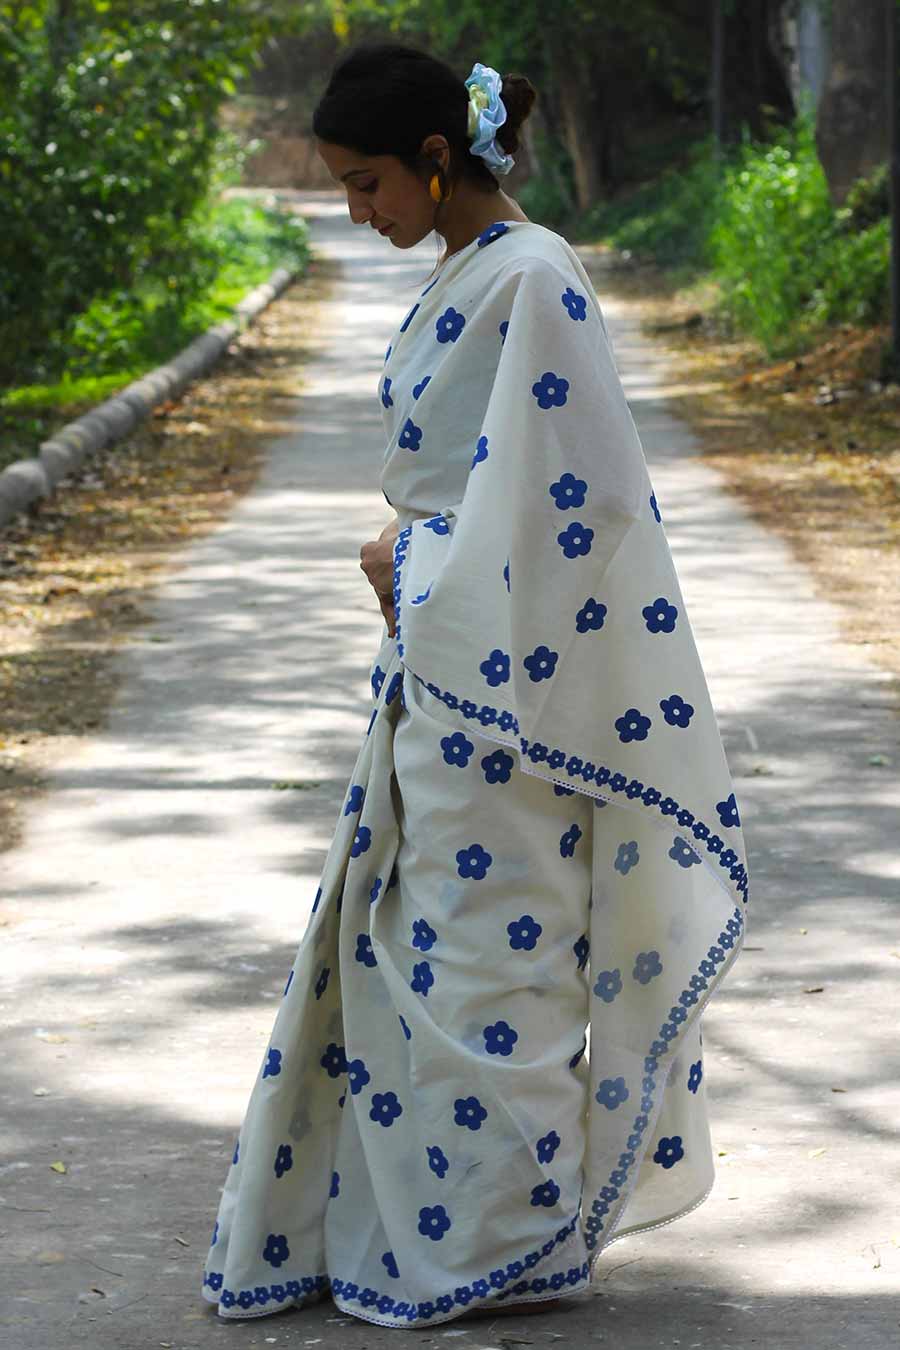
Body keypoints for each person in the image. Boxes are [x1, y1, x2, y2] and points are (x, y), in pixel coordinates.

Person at [200, 40, 750, 1333]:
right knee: (414, 962)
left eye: (368, 183)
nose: (355, 211)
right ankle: (431, 1235)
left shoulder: (538, 277)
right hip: (436, 682)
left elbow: (591, 496)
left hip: (510, 695)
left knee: (490, 974)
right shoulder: (469, 271)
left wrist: (419, 557)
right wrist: (417, 563)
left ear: (438, 160)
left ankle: (502, 1241)